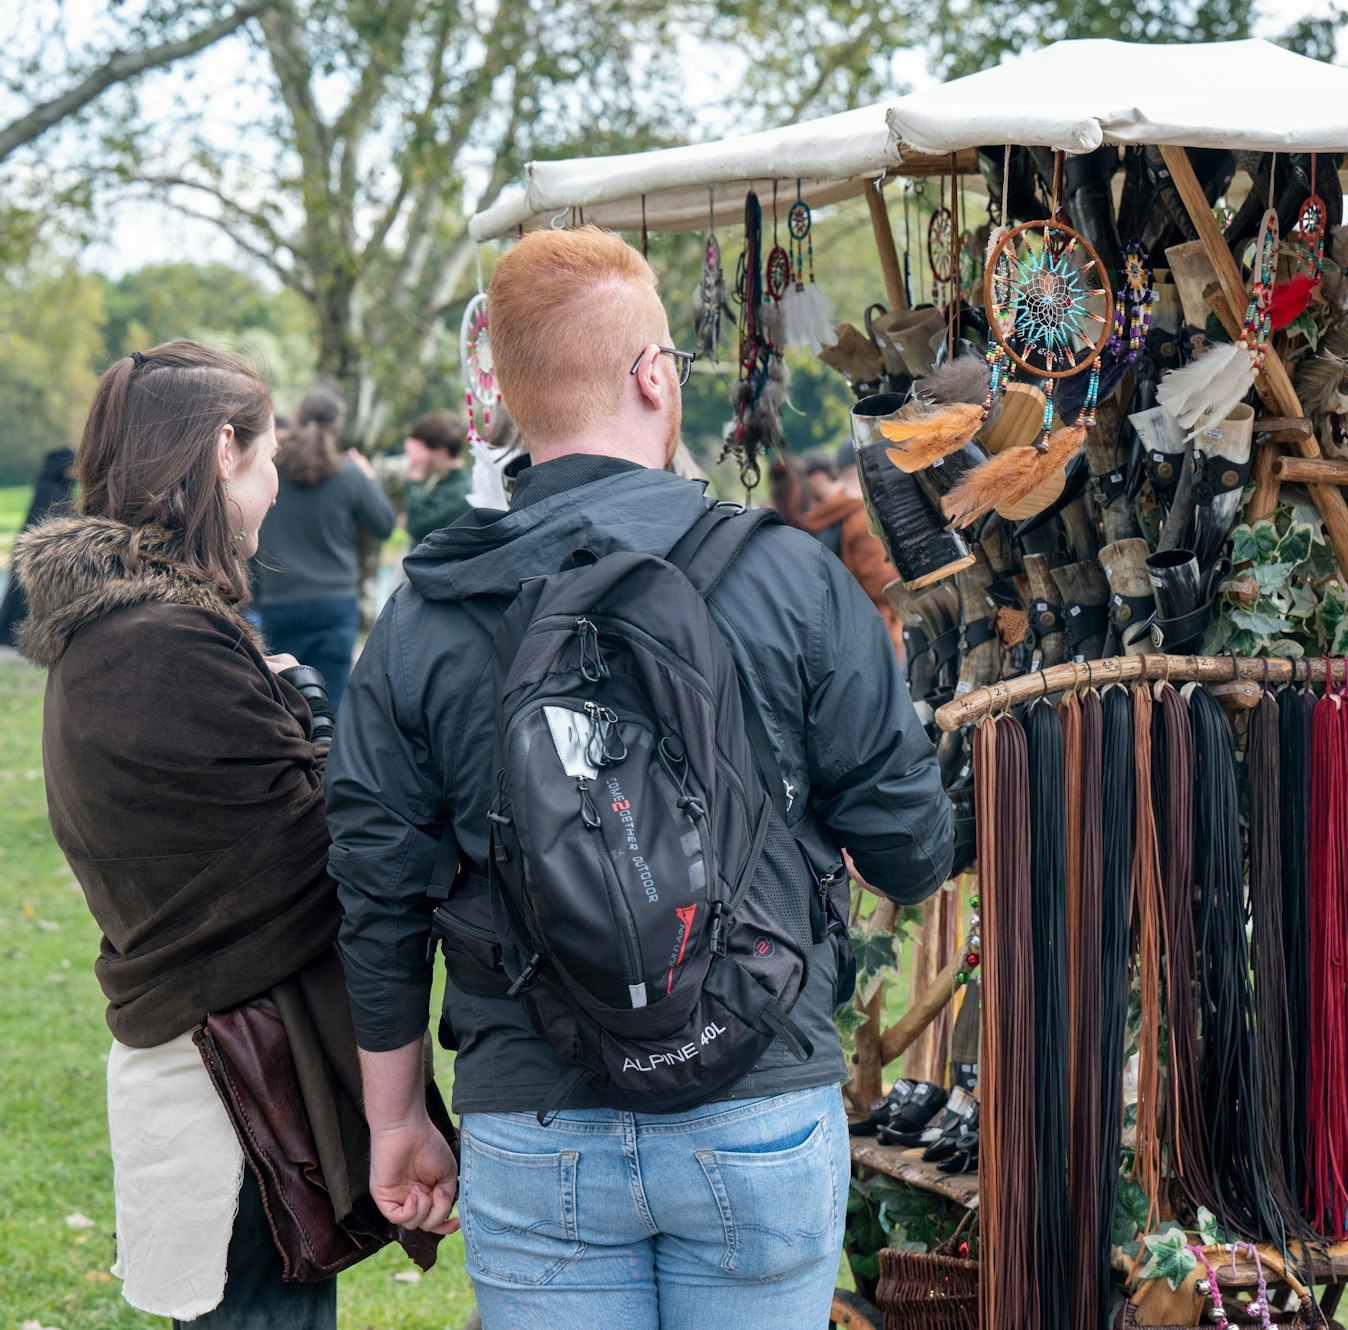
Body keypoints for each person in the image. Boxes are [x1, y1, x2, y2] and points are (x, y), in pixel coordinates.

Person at [326, 226, 954, 1327]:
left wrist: (395, 1116)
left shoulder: (424, 616)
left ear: (512, 397)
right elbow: (909, 847)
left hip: (533, 1107)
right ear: (655, 374)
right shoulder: (788, 577)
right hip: (759, 1094)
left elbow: (377, 886)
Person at [11, 342, 435, 1327]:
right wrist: (346, 756)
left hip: (230, 1066)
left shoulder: (142, 630)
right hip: (233, 1086)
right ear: (221, 449)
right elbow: (305, 864)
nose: (279, 487)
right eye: (269, 457)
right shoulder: (156, 643)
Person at [252, 387, 395, 709]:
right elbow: (383, 525)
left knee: (285, 702)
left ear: (299, 419)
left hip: (280, 600)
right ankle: (328, 760)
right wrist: (369, 477)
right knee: (330, 701)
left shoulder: (273, 470)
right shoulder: (350, 474)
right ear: (337, 426)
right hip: (334, 603)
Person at [795, 442, 901, 644]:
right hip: (876, 632)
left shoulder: (821, 516)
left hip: (838, 630)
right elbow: (881, 584)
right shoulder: (860, 517)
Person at [0, 446, 75, 650]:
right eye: (71, 465)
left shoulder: (61, 489)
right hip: (37, 552)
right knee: (24, 596)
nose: (75, 470)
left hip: (41, 551)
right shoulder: (50, 490)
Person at [402, 410, 472, 543]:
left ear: (441, 452)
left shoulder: (460, 491)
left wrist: (415, 472)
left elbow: (417, 526)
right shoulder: (447, 482)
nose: (413, 457)